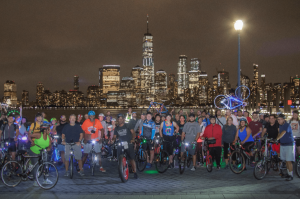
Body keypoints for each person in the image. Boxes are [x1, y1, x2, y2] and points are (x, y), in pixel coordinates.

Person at [112, 114, 138, 179]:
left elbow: (133, 132)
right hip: (120, 144)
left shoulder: (127, 125)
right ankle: (121, 171)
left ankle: (135, 172)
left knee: (131, 158)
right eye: (119, 119)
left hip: (128, 143)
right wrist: (112, 140)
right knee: (119, 159)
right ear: (117, 120)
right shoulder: (116, 128)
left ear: (123, 119)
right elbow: (114, 137)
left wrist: (132, 139)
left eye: (121, 118)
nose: (120, 120)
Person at [277, 114, 294, 181]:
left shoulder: (287, 125)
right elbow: (279, 133)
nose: (278, 121)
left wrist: (277, 139)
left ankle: (291, 175)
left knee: (289, 161)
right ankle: (288, 173)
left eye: (280, 119)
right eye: (278, 119)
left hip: (289, 145)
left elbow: (283, 132)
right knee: (285, 161)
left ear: (283, 119)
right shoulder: (280, 126)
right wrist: (276, 138)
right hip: (282, 144)